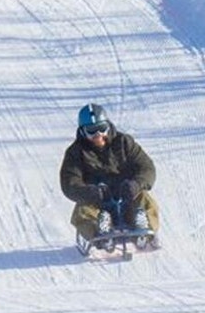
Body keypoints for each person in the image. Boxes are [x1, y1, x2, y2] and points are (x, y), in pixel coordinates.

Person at [59, 102, 161, 244]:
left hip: (126, 195)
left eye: (102, 129)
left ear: (108, 125)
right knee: (82, 212)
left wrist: (136, 184)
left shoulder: (124, 142)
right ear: (82, 131)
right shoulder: (76, 153)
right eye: (92, 131)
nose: (98, 135)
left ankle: (143, 229)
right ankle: (100, 232)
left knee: (145, 200)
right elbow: (70, 182)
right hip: (97, 201)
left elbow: (146, 167)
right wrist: (90, 192)